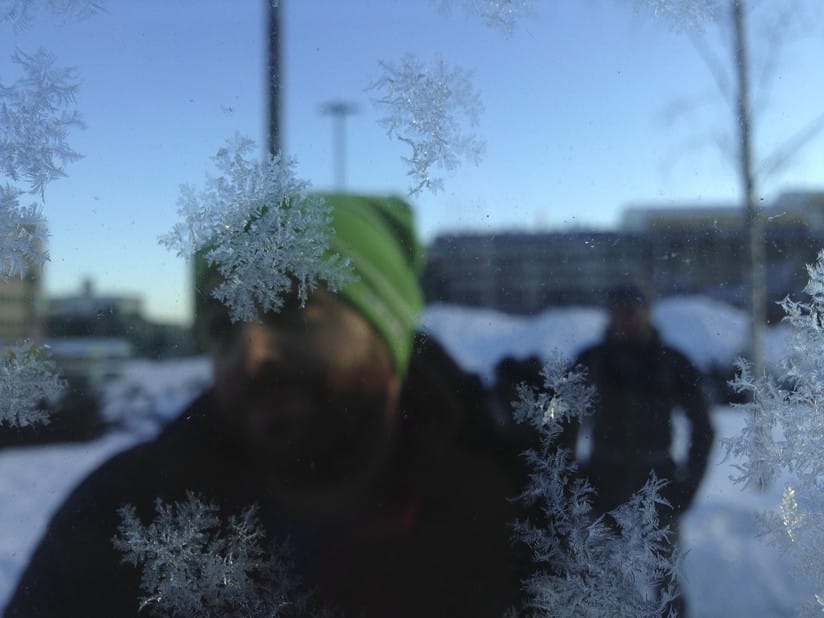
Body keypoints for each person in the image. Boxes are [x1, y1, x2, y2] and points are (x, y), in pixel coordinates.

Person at [5, 194, 522, 617]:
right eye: (222, 327)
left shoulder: (521, 522)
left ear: (387, 332)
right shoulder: (120, 521)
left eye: (289, 306)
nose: (250, 353)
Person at [564, 283, 715, 611]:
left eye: (632, 311)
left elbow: (702, 427)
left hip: (656, 488)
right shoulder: (591, 361)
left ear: (646, 313)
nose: (625, 320)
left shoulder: (671, 362)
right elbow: (561, 425)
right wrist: (571, 478)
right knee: (599, 583)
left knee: (667, 588)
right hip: (602, 488)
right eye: (618, 312)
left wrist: (688, 486)